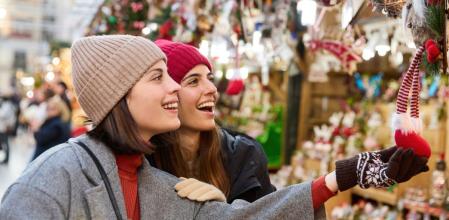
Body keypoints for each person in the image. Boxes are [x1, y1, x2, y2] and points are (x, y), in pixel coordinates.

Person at [0, 35, 428, 220]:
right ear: (118, 96)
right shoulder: (53, 178)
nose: (175, 90)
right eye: (159, 77)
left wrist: (346, 175)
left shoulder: (155, 182)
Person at [149, 39, 275, 203]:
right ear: (168, 94)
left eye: (209, 78)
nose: (212, 89)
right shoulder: (143, 162)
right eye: (193, 81)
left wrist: (225, 212)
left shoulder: (245, 156)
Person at [30, 96, 71, 161]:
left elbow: (41, 139)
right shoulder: (56, 122)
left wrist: (36, 129)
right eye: (48, 108)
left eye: (52, 109)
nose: (49, 111)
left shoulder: (57, 125)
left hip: (46, 159)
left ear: (60, 109)